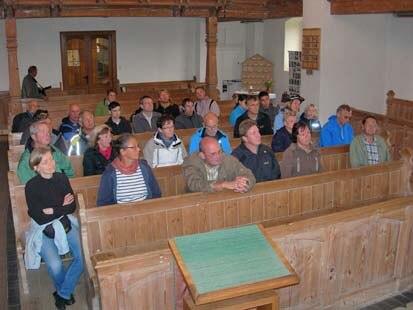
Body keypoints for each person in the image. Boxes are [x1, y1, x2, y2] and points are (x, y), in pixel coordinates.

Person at [24, 146, 83, 310]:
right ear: (36, 167)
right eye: (46, 162)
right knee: (55, 264)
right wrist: (60, 207)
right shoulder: (31, 186)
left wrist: (53, 210)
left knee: (83, 256)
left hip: (64, 222)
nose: (51, 164)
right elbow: (39, 216)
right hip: (43, 229)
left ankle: (63, 292)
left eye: (52, 159)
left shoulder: (61, 178)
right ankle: (65, 291)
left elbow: (71, 207)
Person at [97, 134, 161, 206]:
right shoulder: (110, 172)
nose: (139, 149)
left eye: (138, 146)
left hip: (145, 210)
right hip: (121, 213)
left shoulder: (144, 168)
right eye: (133, 147)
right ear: (123, 151)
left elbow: (156, 193)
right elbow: (103, 202)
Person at [182, 137, 256, 193]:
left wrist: (244, 184)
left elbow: (248, 174)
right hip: (195, 204)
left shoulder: (228, 159)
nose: (218, 156)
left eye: (219, 151)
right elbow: (194, 185)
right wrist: (222, 184)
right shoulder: (191, 162)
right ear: (202, 155)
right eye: (213, 154)